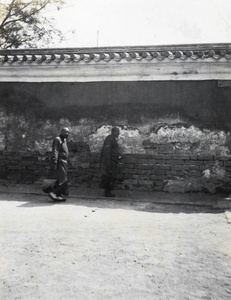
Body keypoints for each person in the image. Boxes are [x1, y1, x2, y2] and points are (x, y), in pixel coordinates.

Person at [48, 127, 70, 201]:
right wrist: (54, 161)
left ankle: (58, 195)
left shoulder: (64, 140)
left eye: (68, 132)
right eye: (65, 132)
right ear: (61, 132)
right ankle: (53, 192)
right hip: (60, 161)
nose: (67, 134)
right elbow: (55, 151)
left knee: (60, 179)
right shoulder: (57, 139)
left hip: (64, 161)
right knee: (63, 179)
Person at [100, 127, 121, 197]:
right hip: (109, 162)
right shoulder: (110, 139)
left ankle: (108, 191)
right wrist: (108, 163)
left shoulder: (112, 139)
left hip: (112, 161)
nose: (118, 133)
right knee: (108, 176)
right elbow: (107, 152)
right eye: (117, 132)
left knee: (110, 176)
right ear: (113, 132)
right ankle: (107, 192)